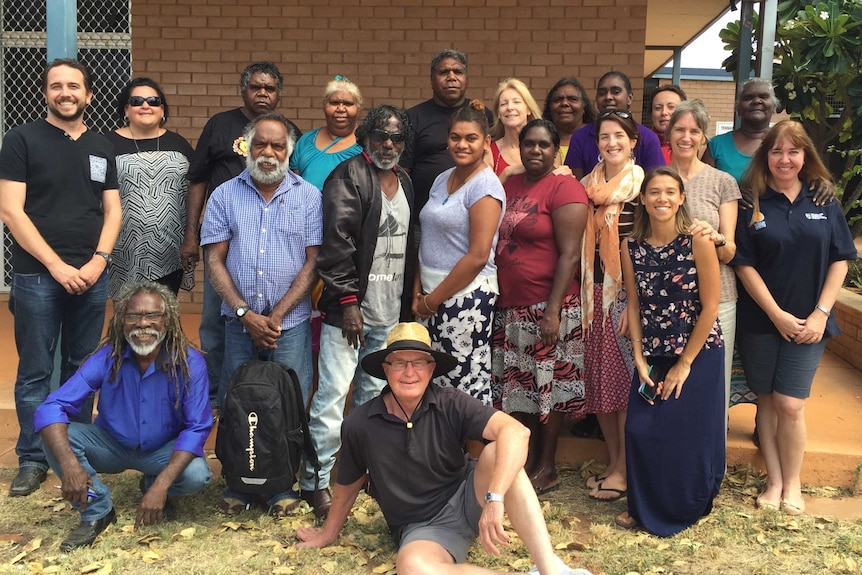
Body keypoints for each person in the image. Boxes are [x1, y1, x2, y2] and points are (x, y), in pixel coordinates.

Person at [296, 322, 592, 575]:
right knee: (412, 567)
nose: (409, 372)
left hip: (469, 496)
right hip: (423, 527)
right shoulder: (360, 422)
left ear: (431, 368)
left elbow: (517, 431)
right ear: (386, 369)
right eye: (400, 362)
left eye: (419, 362)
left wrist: (494, 498)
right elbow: (349, 479)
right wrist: (328, 533)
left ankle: (550, 569)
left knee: (497, 451)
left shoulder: (450, 401)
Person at [0, 59, 122, 497]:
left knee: (82, 369)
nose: (65, 92)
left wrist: (99, 261)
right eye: (56, 86)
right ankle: (34, 458)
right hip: (38, 276)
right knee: (35, 371)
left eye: (74, 86)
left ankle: (75, 454)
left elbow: (113, 209)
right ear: (46, 94)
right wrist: (55, 265)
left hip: (91, 275)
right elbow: (11, 210)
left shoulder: (101, 145)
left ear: (89, 95)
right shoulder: (21, 140)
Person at [200, 112, 322, 516]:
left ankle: (281, 486)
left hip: (290, 326)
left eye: (277, 146)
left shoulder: (308, 197)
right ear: (246, 148)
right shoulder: (224, 195)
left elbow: (312, 262)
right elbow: (214, 260)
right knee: (236, 401)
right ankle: (238, 485)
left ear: (288, 152)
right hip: (239, 325)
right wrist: (244, 313)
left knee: (289, 405)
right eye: (260, 145)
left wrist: (276, 316)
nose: (268, 153)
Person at [732, 121, 855, 515]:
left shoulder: (823, 200)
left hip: (811, 323)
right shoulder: (750, 200)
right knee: (766, 400)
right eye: (777, 151)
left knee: (790, 403)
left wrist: (821, 313)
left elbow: (841, 259)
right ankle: (774, 481)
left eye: (793, 152)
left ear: (805, 157)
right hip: (762, 319)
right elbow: (743, 263)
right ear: (765, 156)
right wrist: (776, 314)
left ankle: (794, 482)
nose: (785, 159)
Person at [300, 105, 417, 519]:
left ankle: (363, 474)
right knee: (332, 397)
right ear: (366, 136)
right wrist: (349, 303)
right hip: (349, 314)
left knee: (372, 398)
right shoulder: (348, 176)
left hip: (388, 313)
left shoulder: (404, 180)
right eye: (381, 136)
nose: (389, 144)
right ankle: (315, 482)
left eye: (397, 137)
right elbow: (336, 246)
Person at [35, 281, 212, 551]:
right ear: (122, 320)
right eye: (134, 316)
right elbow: (51, 407)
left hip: (161, 451)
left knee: (197, 474)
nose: (143, 324)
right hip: (110, 444)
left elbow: (197, 427)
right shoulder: (108, 356)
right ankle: (97, 510)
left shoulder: (189, 362)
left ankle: (151, 483)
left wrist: (161, 485)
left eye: (153, 315)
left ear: (167, 320)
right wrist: (70, 465)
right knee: (55, 435)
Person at [181, 61, 302, 408]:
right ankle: (219, 396)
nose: (262, 93)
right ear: (243, 90)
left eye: (269, 88)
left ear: (278, 94)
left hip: (272, 241)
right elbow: (198, 179)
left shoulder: (287, 129)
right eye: (255, 87)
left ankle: (267, 397)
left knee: (272, 319)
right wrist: (191, 234)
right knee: (216, 320)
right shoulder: (219, 125)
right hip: (223, 239)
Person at [617, 167, 725, 536]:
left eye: (670, 192)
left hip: (698, 352)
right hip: (653, 352)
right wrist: (638, 356)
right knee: (640, 428)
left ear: (681, 198)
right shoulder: (630, 246)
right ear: (643, 200)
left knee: (685, 433)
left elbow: (711, 306)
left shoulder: (697, 240)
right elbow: (632, 303)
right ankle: (642, 505)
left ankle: (683, 506)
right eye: (654, 192)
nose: (662, 198)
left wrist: (685, 364)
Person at [492, 119, 589, 494]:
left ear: (555, 150)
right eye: (529, 143)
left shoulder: (565, 188)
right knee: (520, 390)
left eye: (544, 145)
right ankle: (526, 460)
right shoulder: (512, 183)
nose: (536, 150)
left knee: (548, 388)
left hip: (548, 307)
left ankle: (547, 466)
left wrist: (552, 312)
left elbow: (569, 256)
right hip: (512, 306)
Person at [413, 100, 505, 406]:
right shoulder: (443, 178)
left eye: (471, 138)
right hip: (431, 293)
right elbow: (427, 235)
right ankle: (442, 450)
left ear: (486, 142)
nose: (461, 144)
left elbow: (478, 255)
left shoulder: (485, 187)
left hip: (465, 298)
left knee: (464, 382)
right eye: (455, 137)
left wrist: (432, 299)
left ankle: (473, 455)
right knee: (435, 379)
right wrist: (420, 292)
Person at [580, 111, 643, 502]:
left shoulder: (643, 186)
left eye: (619, 135)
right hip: (593, 297)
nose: (612, 143)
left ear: (633, 141)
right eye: (604, 136)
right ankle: (614, 461)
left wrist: (633, 304)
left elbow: (643, 248)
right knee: (600, 385)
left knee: (623, 387)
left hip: (623, 297)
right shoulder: (587, 186)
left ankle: (625, 469)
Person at [666, 100, 741, 427]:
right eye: (679, 129)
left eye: (694, 131)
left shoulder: (722, 182)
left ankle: (713, 467)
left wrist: (717, 237)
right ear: (668, 135)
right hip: (666, 300)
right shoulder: (655, 179)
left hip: (718, 297)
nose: (686, 136)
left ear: (703, 139)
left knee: (713, 383)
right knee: (671, 381)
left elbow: (730, 251)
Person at [105, 77, 195, 297]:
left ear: (162, 109)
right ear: (126, 109)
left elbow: (193, 191)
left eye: (153, 101)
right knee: (130, 317)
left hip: (170, 249)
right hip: (123, 250)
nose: (145, 105)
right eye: (137, 101)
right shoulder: (105, 144)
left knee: (164, 317)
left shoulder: (179, 144)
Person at [400, 49, 493, 211]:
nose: (451, 77)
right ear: (432, 80)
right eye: (444, 72)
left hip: (472, 211)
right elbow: (403, 172)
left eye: (458, 71)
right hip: (423, 215)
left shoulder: (482, 115)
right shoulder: (413, 117)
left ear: (466, 78)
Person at [564, 71, 665, 180]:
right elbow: (575, 184)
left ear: (629, 98)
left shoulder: (648, 138)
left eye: (616, 92)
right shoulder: (580, 137)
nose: (608, 97)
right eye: (602, 93)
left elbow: (656, 183)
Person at [290, 75, 363, 191]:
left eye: (348, 103)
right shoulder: (306, 140)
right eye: (334, 103)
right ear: (324, 106)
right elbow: (294, 187)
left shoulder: (366, 144)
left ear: (358, 108)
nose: (340, 109)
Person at [488, 78, 543, 182]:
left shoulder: (547, 148)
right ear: (498, 113)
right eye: (503, 104)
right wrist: (507, 173)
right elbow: (484, 195)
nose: (509, 107)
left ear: (528, 109)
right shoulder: (489, 152)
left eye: (516, 102)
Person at [542, 77, 596, 169]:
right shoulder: (541, 139)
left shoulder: (597, 137)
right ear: (550, 108)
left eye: (572, 99)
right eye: (558, 99)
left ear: (584, 107)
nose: (564, 103)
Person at [649, 84, 686, 164]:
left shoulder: (691, 145)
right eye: (658, 108)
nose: (664, 112)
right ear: (651, 115)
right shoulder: (642, 145)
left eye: (671, 107)